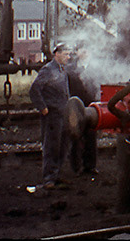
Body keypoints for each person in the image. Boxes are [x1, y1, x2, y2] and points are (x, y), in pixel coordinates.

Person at [29, 43, 71, 189]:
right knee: (51, 146)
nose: (68, 57)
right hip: (52, 115)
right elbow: (34, 90)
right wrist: (43, 108)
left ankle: (56, 174)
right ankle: (49, 179)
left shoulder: (62, 70)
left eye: (69, 54)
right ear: (56, 54)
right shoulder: (48, 70)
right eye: (66, 54)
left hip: (63, 113)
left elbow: (65, 92)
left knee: (63, 146)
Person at [66, 47, 98, 175]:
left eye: (86, 49)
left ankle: (90, 166)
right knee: (75, 137)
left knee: (91, 137)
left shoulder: (96, 68)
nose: (84, 52)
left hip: (91, 105)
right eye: (81, 49)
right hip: (75, 106)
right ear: (77, 52)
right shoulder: (70, 69)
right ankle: (76, 167)